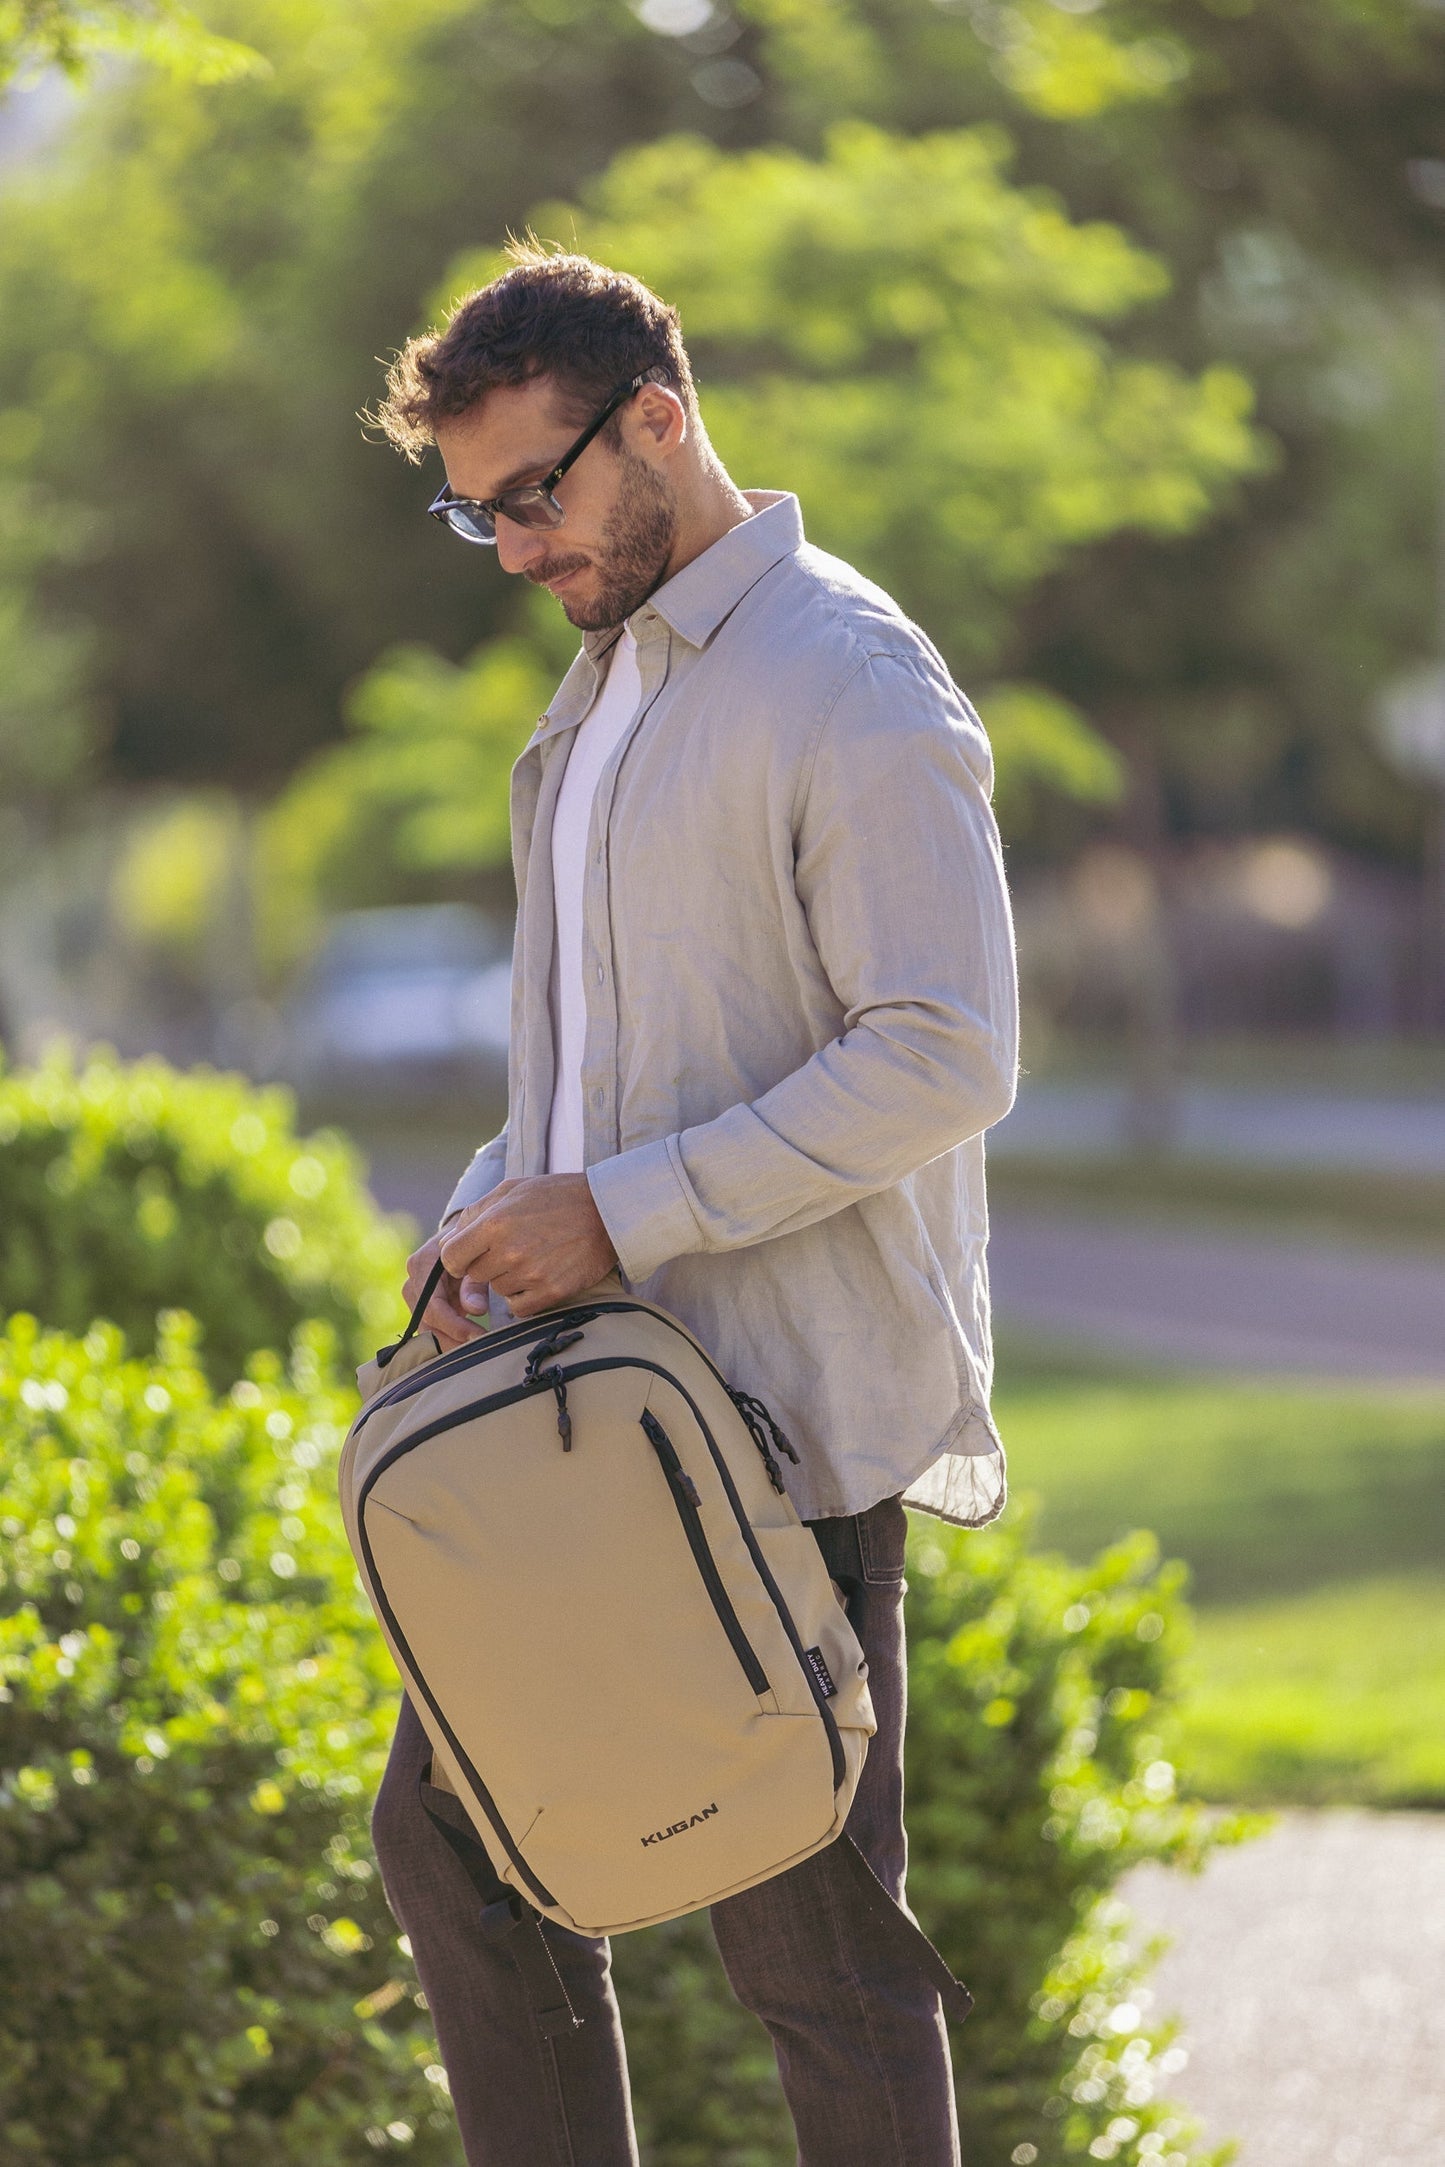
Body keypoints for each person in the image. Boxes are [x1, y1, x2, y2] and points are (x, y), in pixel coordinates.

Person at [366, 244, 1018, 2167]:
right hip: (583, 1413)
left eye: (532, 495)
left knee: (817, 1963)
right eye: (469, 512)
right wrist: (491, 1222)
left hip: (778, 1438)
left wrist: (617, 1216)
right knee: (461, 1862)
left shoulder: (849, 678)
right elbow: (581, 1070)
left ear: (659, 417)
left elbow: (945, 1050)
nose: (507, 549)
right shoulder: (602, 697)